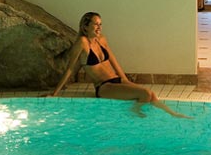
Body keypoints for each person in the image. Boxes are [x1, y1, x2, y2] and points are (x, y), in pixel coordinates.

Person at [49, 12, 191, 118]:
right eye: (96, 24)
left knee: (150, 94)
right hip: (104, 87)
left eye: (100, 24)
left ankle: (173, 114)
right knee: (145, 94)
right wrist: (55, 93)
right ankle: (134, 113)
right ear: (85, 27)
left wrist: (126, 81)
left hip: (117, 80)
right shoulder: (82, 43)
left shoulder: (102, 40)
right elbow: (70, 69)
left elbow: (114, 61)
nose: (99, 27)